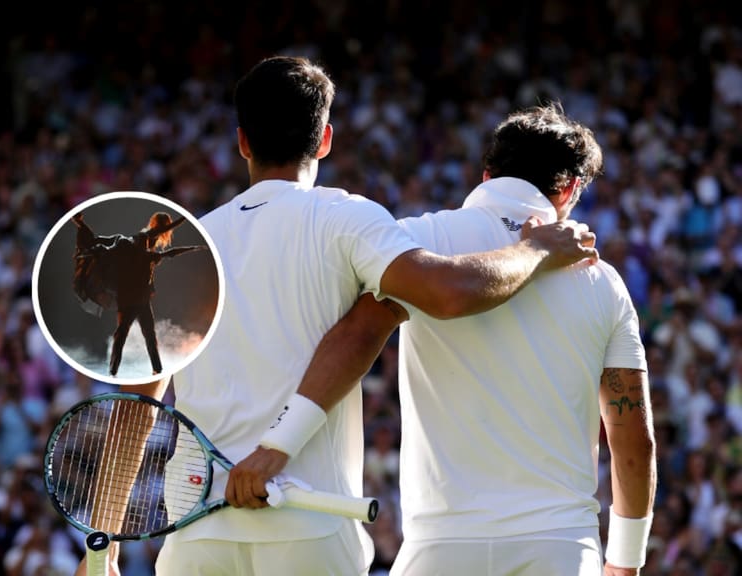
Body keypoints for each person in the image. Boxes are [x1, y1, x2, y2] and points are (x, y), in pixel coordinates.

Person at [109, 56, 597, 576]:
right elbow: (450, 294)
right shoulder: (347, 217)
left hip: (196, 534)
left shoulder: (185, 248)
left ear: (243, 142)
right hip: (309, 524)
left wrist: (104, 545)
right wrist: (537, 249)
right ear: (324, 140)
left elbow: (134, 410)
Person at [230, 103, 656, 575]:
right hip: (560, 547)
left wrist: (277, 445)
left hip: (440, 547)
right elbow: (633, 440)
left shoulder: (421, 238)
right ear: (571, 189)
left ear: (487, 175)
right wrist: (625, 562)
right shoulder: (604, 282)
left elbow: (356, 336)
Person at [71, 211, 207, 376]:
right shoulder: (136, 245)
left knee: (144, 335)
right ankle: (116, 370)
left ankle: (154, 369)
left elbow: (170, 252)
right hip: (130, 300)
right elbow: (167, 248)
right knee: (126, 335)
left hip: (139, 300)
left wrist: (192, 247)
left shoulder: (146, 253)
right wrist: (185, 218)